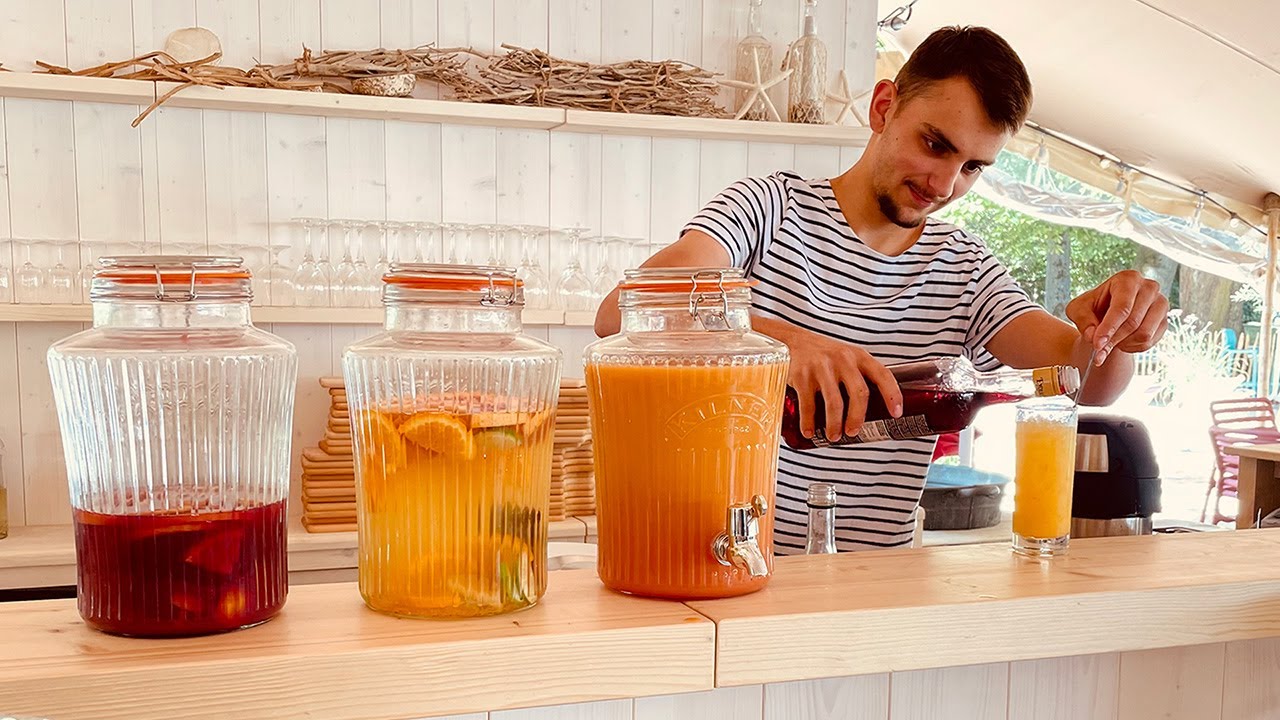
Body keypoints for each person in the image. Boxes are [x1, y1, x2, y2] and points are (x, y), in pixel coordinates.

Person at [593, 26, 1170, 553]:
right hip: (724, 566)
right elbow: (621, 313)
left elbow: (1084, 379)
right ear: (883, 106)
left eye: (973, 167)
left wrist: (1115, 330)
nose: (944, 184)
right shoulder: (769, 209)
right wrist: (781, 343)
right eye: (936, 144)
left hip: (874, 589)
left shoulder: (964, 268)